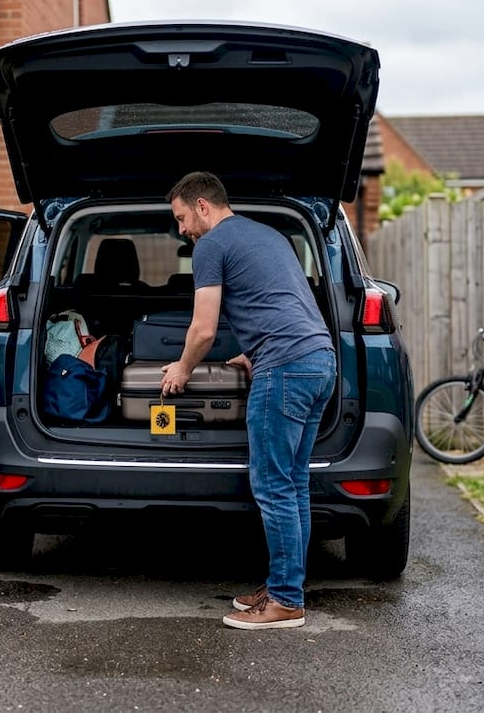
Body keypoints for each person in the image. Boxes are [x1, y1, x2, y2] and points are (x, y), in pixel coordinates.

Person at [159, 171, 336, 630]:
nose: (181, 229)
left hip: (285, 369)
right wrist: (253, 349)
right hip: (318, 361)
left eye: (181, 218)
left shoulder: (212, 245)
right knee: (293, 485)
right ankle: (284, 584)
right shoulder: (269, 234)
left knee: (274, 488)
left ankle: (285, 603)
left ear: (202, 205)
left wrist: (182, 368)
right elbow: (282, 301)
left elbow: (203, 329)